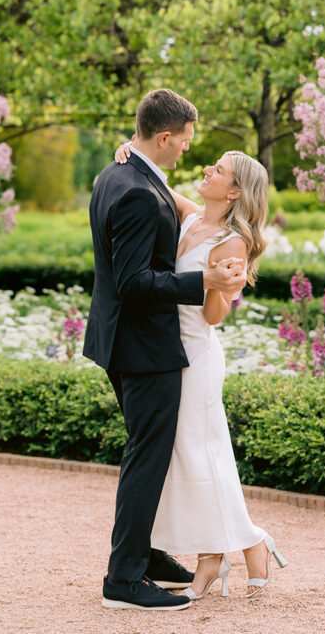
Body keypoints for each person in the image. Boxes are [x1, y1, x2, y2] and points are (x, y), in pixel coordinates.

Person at [83, 89, 246, 612]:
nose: (186, 153)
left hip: (124, 341)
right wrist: (203, 280)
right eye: (184, 142)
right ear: (163, 137)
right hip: (144, 347)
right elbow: (133, 283)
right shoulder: (135, 188)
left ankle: (148, 556)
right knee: (146, 460)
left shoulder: (118, 174)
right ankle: (124, 580)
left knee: (148, 455)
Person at [114, 138, 289, 600]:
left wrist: (219, 286)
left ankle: (228, 549)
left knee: (198, 454)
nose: (208, 170)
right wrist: (130, 151)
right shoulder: (192, 215)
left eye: (219, 170)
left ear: (233, 192)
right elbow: (156, 181)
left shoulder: (231, 241)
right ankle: (242, 543)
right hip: (167, 350)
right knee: (194, 455)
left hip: (196, 354)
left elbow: (214, 317)